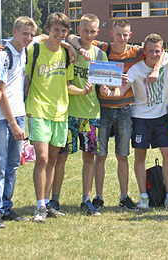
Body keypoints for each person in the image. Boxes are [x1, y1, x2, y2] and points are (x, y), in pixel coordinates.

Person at [67, 19, 160, 211]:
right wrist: (78, 48)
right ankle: (99, 196)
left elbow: (160, 51)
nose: (122, 38)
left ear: (130, 35)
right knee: (100, 155)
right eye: (118, 34)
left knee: (122, 155)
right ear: (111, 34)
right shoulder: (103, 48)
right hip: (103, 109)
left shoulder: (136, 51)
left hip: (125, 110)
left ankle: (124, 196)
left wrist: (157, 69)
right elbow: (71, 37)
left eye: (125, 35)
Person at [100, 34, 168, 211]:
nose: (154, 54)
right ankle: (143, 196)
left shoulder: (165, 59)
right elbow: (121, 91)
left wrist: (156, 69)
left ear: (162, 51)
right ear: (144, 51)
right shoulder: (135, 69)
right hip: (140, 119)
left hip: (160, 118)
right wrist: (109, 93)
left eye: (157, 51)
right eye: (150, 51)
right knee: (140, 157)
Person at [0, 16, 37, 228]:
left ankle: (7, 207)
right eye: (25, 33)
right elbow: (1, 91)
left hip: (18, 114)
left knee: (13, 165)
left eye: (31, 35)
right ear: (14, 32)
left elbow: (45, 37)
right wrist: (14, 124)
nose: (29, 38)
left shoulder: (24, 50)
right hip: (2, 118)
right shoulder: (3, 55)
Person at [55, 14, 108, 216]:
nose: (88, 34)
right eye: (85, 30)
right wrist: (73, 46)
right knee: (62, 157)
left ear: (97, 32)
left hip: (91, 113)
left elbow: (104, 82)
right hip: (68, 113)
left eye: (92, 31)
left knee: (89, 158)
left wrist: (106, 88)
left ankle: (87, 199)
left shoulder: (100, 55)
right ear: (78, 29)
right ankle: (55, 199)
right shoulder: (67, 49)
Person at [25, 12, 73, 223]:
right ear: (48, 30)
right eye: (56, 30)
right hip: (38, 109)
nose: (60, 34)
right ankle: (39, 206)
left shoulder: (67, 53)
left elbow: (68, 83)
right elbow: (27, 78)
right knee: (42, 158)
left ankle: (47, 204)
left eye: (63, 31)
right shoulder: (34, 50)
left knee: (53, 159)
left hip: (60, 111)